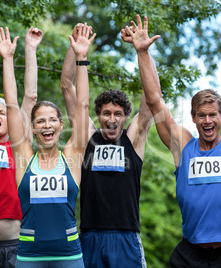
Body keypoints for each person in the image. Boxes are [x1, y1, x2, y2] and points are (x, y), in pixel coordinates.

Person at [130, 14, 221, 267]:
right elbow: (155, 101)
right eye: (201, 115)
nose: (207, 121)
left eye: (212, 115)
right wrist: (142, 53)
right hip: (190, 255)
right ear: (193, 118)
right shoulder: (183, 145)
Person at [0, 24, 95, 267]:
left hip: (69, 256)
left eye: (52, 120)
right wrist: (7, 59)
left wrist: (82, 58)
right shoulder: (24, 157)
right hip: (29, 257)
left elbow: (82, 106)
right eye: (40, 121)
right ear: (33, 127)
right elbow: (11, 105)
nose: (46, 125)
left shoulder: (72, 155)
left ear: (60, 125)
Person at [60, 23, 154, 267]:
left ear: (124, 117)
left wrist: (142, 51)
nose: (112, 119)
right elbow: (67, 87)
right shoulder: (88, 137)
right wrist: (77, 50)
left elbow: (152, 97)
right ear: (98, 115)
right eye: (106, 113)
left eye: (118, 114)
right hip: (90, 235)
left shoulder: (133, 138)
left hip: (126, 236)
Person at [0, 26, 43, 268]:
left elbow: (30, 96)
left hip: (16, 242)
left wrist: (30, 50)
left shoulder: (17, 142)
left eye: (2, 112)